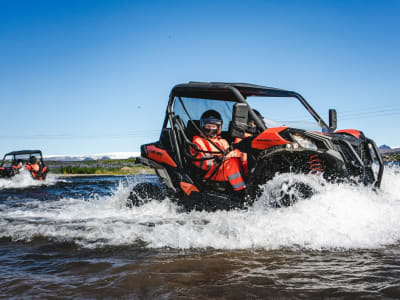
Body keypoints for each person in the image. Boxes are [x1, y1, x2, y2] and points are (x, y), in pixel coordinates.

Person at [191, 110, 246, 192]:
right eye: (208, 126)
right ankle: (240, 191)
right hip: (208, 174)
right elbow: (203, 162)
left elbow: (231, 153)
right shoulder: (197, 141)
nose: (210, 129)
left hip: (220, 170)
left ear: (219, 127)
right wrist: (220, 158)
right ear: (202, 126)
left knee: (243, 155)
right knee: (232, 162)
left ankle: (251, 184)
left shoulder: (222, 141)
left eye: (213, 126)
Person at [233, 109, 265, 175]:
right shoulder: (240, 140)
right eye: (253, 123)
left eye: (257, 123)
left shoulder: (261, 139)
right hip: (246, 174)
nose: (255, 125)